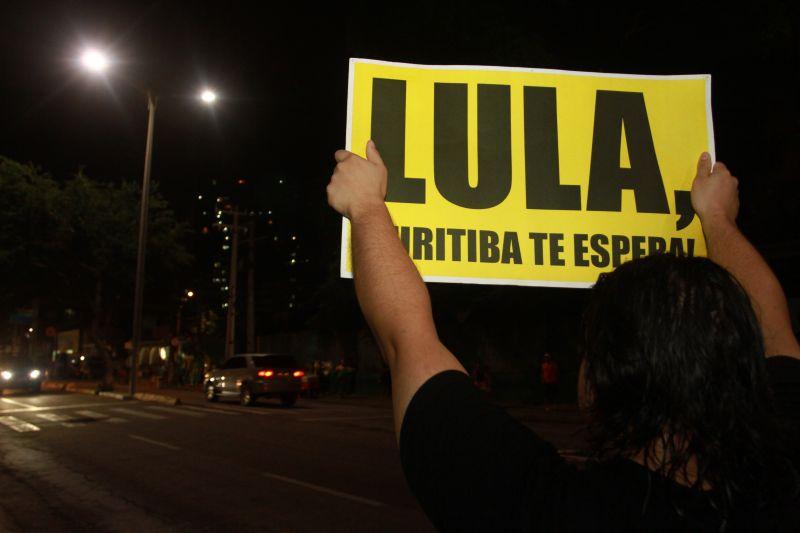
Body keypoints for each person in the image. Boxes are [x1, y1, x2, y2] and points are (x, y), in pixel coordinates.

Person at [327, 142, 800, 531]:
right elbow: (776, 331)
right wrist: (718, 219)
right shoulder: (784, 469)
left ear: (598, 379)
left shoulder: (548, 510)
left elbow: (407, 339)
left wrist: (367, 208)